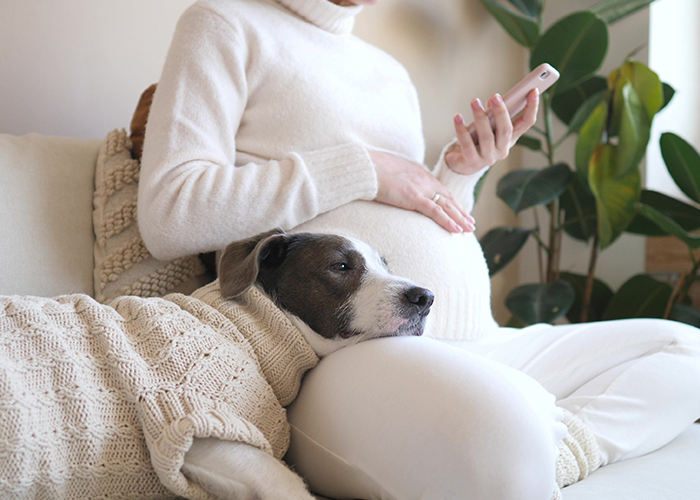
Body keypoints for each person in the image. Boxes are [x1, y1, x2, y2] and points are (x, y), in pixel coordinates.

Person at [139, 0, 700, 498]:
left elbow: (403, 214)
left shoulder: (388, 73)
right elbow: (168, 212)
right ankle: (520, 437)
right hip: (342, 355)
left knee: (687, 351)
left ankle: (563, 451)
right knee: (504, 432)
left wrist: (458, 175)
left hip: (475, 337)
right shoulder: (224, 23)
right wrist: (365, 167)